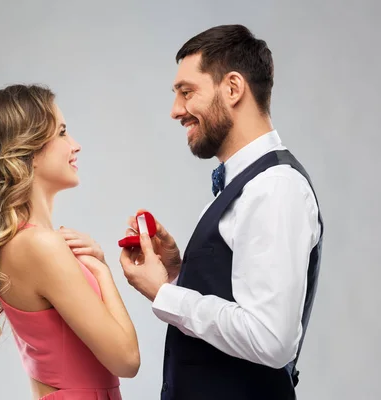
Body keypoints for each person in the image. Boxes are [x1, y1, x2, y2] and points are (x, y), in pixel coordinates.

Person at [120, 24, 324, 399]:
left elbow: (271, 339)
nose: (175, 111)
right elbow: (234, 301)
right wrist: (179, 273)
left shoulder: (275, 188)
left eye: (186, 92)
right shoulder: (246, 184)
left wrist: (165, 293)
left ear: (233, 88)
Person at [0, 84, 139, 399]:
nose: (75, 145)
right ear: (28, 150)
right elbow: (127, 359)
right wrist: (103, 272)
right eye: (63, 133)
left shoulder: (26, 242)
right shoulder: (38, 245)